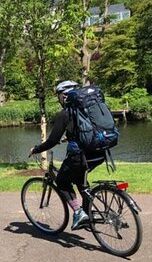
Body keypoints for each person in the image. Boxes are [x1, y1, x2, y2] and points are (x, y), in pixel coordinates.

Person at [29, 80, 106, 230]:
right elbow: (85, 130)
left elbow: (52, 141)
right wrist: (69, 137)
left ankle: (79, 212)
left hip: (80, 156)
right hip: (99, 153)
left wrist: (36, 150)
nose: (58, 99)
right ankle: (90, 212)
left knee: (62, 181)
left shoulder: (65, 113)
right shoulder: (87, 109)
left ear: (64, 96)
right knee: (79, 179)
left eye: (58, 96)